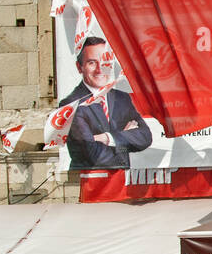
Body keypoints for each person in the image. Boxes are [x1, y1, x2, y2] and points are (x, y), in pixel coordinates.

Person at [58, 36, 153, 170]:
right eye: (92, 62)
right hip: (91, 182)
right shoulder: (71, 105)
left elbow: (145, 137)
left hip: (121, 182)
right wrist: (124, 139)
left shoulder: (122, 98)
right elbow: (94, 156)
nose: (99, 69)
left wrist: (106, 138)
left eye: (104, 62)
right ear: (80, 67)